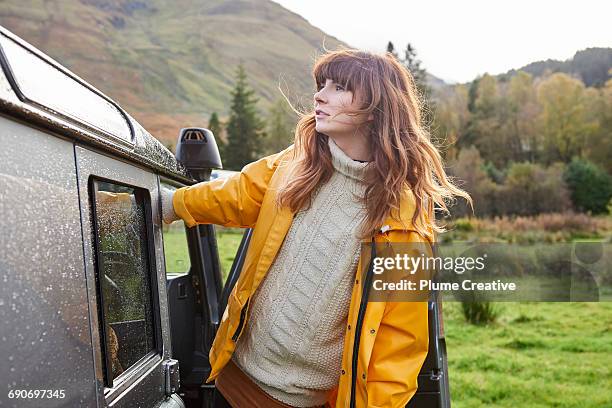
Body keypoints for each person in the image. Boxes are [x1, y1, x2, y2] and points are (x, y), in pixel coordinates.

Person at [162, 49, 471, 408]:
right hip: (231, 378)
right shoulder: (296, 164)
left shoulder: (407, 226)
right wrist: (168, 204)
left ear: (377, 107)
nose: (320, 95)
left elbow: (397, 348)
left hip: (299, 402)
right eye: (321, 85)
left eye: (339, 87)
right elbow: (235, 194)